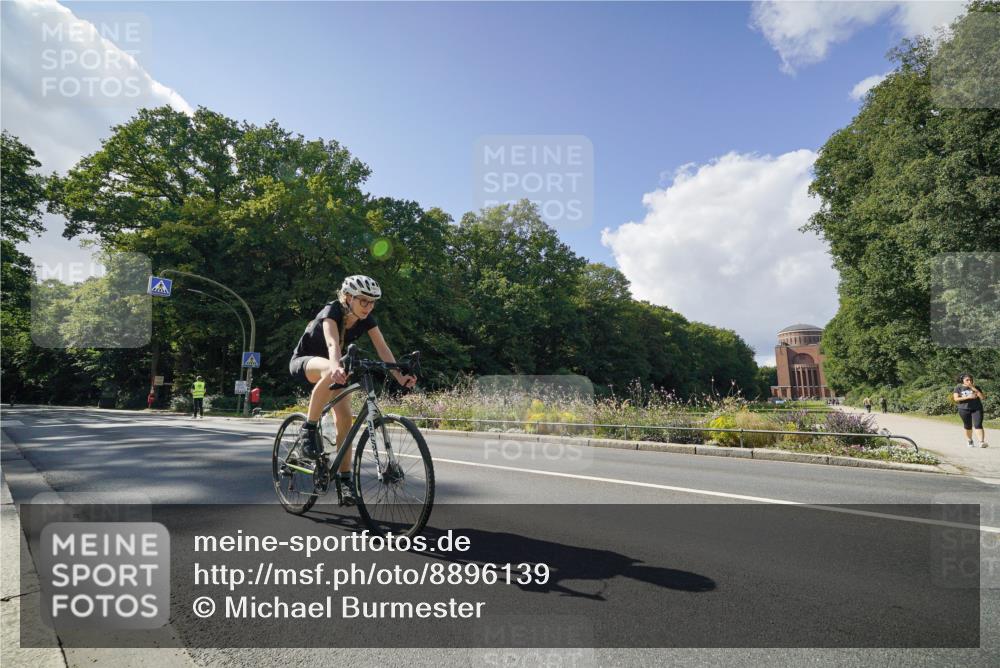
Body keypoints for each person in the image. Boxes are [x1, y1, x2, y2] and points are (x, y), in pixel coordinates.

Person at [288, 275, 416, 504]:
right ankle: (308, 429)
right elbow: (332, 343)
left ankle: (345, 481)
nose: (368, 306)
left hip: (334, 367)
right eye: (363, 301)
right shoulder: (333, 310)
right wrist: (336, 365)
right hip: (307, 361)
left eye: (372, 302)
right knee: (330, 369)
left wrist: (399, 375)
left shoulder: (366, 319)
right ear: (348, 297)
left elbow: (383, 349)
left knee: (346, 420)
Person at [953, 373, 987, 448]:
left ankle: (981, 442)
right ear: (962, 380)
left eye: (970, 380)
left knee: (978, 425)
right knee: (968, 426)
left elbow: (983, 398)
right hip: (963, 409)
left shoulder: (976, 387)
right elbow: (956, 399)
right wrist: (968, 397)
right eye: (967, 380)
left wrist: (973, 388)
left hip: (977, 408)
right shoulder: (958, 388)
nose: (969, 381)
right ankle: (970, 440)